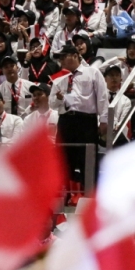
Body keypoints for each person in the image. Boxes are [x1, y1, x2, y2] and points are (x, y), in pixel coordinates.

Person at [49, 43, 108, 188]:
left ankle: (89, 194)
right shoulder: (58, 78)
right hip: (66, 120)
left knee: (87, 159)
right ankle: (65, 195)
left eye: (64, 57)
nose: (61, 61)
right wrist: (58, 98)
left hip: (85, 121)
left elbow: (102, 97)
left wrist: (104, 119)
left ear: (75, 56)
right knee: (64, 158)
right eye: (60, 58)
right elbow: (52, 104)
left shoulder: (92, 73)